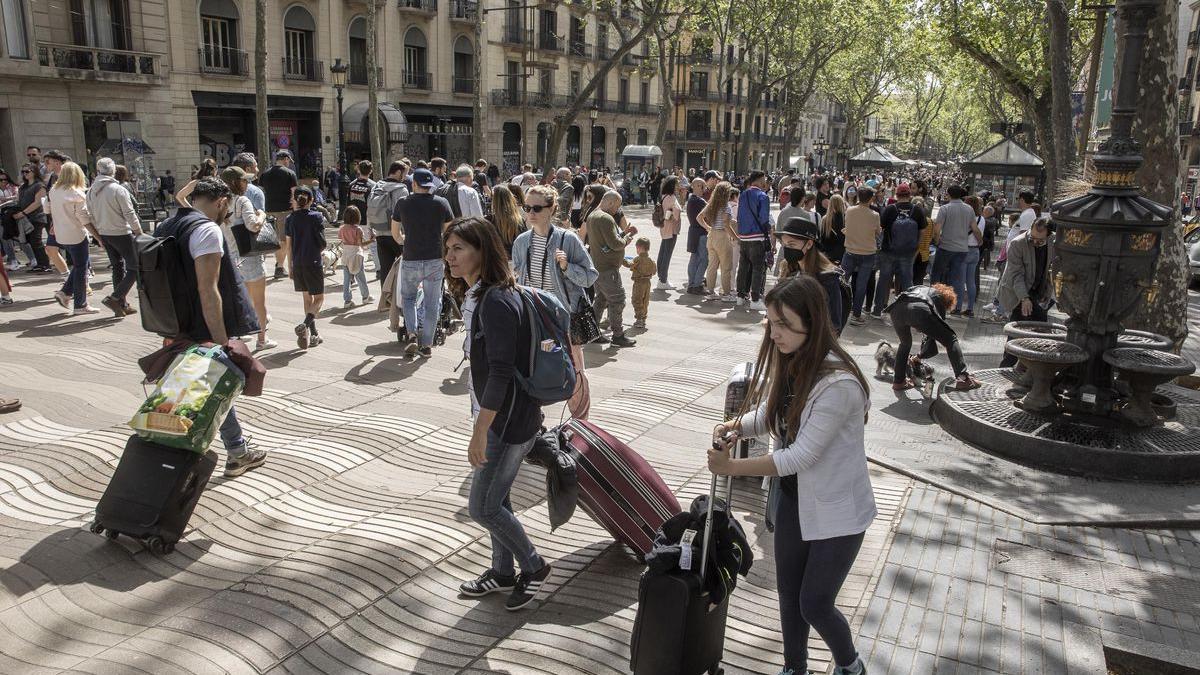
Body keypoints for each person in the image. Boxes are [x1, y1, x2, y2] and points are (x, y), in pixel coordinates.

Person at [708, 274, 874, 675]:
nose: (774, 333)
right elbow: (772, 416)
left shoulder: (839, 384)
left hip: (838, 514)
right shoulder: (793, 363)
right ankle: (793, 668)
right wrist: (735, 425)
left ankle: (851, 665)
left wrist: (732, 467)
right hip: (792, 504)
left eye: (783, 323)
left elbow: (801, 455)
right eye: (770, 322)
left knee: (813, 602)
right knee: (789, 597)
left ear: (811, 323)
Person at [446, 217, 555, 611]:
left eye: (459, 248)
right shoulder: (486, 294)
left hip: (507, 422)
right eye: (449, 248)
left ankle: (534, 565)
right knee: (499, 499)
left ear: (482, 250)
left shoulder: (495, 300)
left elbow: (501, 372)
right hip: (507, 416)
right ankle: (502, 572)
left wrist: (480, 431)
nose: (450, 256)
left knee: (482, 507)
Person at [153, 177, 267, 477]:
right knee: (211, 388)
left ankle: (236, 450)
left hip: (174, 322)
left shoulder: (167, 225)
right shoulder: (206, 230)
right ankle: (222, 453)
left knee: (196, 391)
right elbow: (209, 290)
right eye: (226, 210)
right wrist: (221, 344)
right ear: (221, 202)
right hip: (202, 326)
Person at [510, 184, 598, 419]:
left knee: (574, 369)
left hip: (564, 317)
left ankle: (581, 424)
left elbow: (590, 276)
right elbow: (518, 276)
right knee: (531, 367)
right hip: (533, 317)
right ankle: (532, 423)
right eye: (527, 207)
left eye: (537, 208)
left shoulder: (567, 239)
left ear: (552, 209)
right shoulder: (521, 242)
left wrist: (567, 267)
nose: (530, 213)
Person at [393, 168, 455, 357]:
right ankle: (427, 344)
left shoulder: (402, 203)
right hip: (435, 258)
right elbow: (449, 232)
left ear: (413, 184)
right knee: (431, 303)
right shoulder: (441, 203)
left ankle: (412, 334)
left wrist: (407, 240)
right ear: (430, 185)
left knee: (409, 299)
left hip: (411, 257)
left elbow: (396, 234)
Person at [219, 166, 276, 352]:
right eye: (245, 180)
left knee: (240, 300)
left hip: (230, 257)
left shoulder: (220, 203)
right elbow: (253, 226)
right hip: (249, 257)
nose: (247, 183)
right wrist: (262, 215)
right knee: (259, 302)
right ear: (236, 182)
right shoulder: (242, 201)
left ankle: (237, 335)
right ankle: (262, 338)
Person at [886, 283, 981, 391]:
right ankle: (963, 378)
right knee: (950, 339)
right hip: (918, 310)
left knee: (905, 343)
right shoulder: (939, 299)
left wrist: (919, 356)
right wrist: (920, 356)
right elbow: (931, 337)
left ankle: (898, 382)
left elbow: (928, 335)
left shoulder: (921, 288)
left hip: (897, 308)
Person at [87, 157, 143, 317]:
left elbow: (90, 214)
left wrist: (98, 234)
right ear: (113, 171)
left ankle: (122, 304)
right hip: (121, 233)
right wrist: (138, 231)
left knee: (118, 267)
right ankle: (116, 298)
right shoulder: (117, 189)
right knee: (134, 267)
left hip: (105, 233)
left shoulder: (91, 191)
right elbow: (129, 213)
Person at [998, 217, 1056, 367]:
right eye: (1033, 237)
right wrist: (1024, 298)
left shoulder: (1052, 241)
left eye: (1040, 240)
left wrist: (1047, 293)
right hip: (1018, 292)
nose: (1035, 242)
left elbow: (1051, 268)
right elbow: (1016, 274)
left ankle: (1028, 367)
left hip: (1038, 291)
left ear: (1048, 235)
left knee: (1039, 328)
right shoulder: (1018, 243)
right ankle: (1007, 366)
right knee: (1018, 329)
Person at [775, 217, 844, 332]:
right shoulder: (788, 267)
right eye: (785, 245)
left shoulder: (827, 278)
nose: (787, 249)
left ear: (809, 244)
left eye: (792, 244)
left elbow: (833, 324)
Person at [48, 162, 99, 315]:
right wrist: (98, 237)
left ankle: (65, 293)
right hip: (76, 234)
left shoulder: (54, 191)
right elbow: (84, 219)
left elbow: (49, 209)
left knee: (79, 266)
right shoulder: (76, 193)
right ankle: (80, 304)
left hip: (61, 234)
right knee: (81, 268)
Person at [587, 191, 636, 347]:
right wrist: (627, 238)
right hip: (608, 269)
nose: (617, 210)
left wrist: (623, 233)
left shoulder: (593, 215)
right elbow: (615, 244)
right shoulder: (606, 219)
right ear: (610, 202)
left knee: (600, 300)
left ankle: (593, 334)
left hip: (598, 267)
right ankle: (618, 335)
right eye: (617, 205)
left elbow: (606, 240)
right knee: (618, 300)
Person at [871, 183, 926, 317]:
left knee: (884, 280)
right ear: (909, 195)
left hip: (888, 251)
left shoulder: (890, 209)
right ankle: (911, 313)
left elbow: (880, 229)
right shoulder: (917, 210)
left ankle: (877, 310)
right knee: (908, 282)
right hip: (907, 253)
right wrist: (915, 248)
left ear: (897, 195)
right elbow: (922, 232)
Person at [284, 186, 328, 349]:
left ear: (295, 200)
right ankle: (305, 325)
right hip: (313, 262)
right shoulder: (316, 216)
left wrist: (290, 266)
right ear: (311, 200)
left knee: (307, 299)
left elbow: (288, 245)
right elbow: (322, 242)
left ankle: (313, 333)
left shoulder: (290, 219)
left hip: (298, 263)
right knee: (319, 298)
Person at [840, 186, 881, 326]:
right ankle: (856, 314)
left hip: (850, 251)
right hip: (867, 253)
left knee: (842, 281)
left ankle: (838, 308)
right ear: (870, 199)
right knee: (861, 285)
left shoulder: (849, 211)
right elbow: (877, 232)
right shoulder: (875, 215)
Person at [366, 160, 409, 292]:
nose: (405, 177)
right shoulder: (401, 190)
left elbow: (369, 208)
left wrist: (370, 229)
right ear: (397, 172)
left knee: (385, 268)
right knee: (405, 268)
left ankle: (386, 299)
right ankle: (402, 299)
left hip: (379, 232)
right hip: (397, 236)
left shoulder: (377, 186)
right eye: (404, 173)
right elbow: (404, 213)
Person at [930, 184, 976, 307]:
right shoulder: (969, 209)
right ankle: (947, 303)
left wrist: (937, 241)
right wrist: (980, 241)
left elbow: (937, 229)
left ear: (949, 194)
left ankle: (933, 299)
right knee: (953, 277)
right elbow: (974, 228)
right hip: (962, 249)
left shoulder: (945, 208)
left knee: (937, 273)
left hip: (946, 247)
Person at [259, 150, 299, 279]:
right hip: (285, 211)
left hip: (269, 210)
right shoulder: (290, 173)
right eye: (288, 160)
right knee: (283, 241)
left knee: (274, 239)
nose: (289, 163)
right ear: (286, 159)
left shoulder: (265, 174)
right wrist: (296, 211)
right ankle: (280, 267)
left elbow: (262, 192)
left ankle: (279, 262)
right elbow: (294, 194)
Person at [700, 181, 737, 302]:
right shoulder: (726, 206)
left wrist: (708, 227)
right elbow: (726, 224)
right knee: (726, 267)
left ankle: (710, 292)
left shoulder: (711, 204)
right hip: (722, 236)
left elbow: (699, 217)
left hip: (712, 235)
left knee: (712, 266)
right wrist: (736, 237)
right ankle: (726, 294)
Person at [11, 163, 51, 272]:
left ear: (34, 172)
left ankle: (45, 264)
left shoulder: (39, 185)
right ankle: (40, 264)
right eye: (23, 172)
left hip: (37, 217)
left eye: (27, 171)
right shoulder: (23, 187)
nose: (25, 174)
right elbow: (19, 201)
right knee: (30, 241)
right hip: (25, 219)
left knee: (36, 241)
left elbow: (38, 202)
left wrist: (23, 213)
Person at [955, 196, 986, 317]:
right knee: (971, 281)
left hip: (963, 250)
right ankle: (970, 308)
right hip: (975, 251)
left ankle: (958, 307)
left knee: (960, 281)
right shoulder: (982, 219)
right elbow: (980, 234)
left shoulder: (965, 217)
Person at [338, 206, 373, 308]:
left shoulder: (342, 228)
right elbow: (361, 244)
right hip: (356, 254)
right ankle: (365, 297)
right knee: (360, 277)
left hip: (345, 255)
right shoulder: (358, 229)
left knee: (346, 279)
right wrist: (372, 240)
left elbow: (341, 239)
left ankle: (347, 300)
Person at [656, 176, 682, 290]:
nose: (679, 185)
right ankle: (663, 280)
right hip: (671, 228)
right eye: (677, 183)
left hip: (664, 227)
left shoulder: (664, 196)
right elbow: (676, 214)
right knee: (667, 254)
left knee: (663, 252)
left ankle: (661, 277)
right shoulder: (672, 197)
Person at [684, 177, 709, 295]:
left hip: (693, 232)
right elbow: (709, 214)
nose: (705, 189)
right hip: (701, 233)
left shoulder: (690, 200)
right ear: (698, 186)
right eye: (703, 186)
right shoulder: (700, 201)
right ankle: (697, 284)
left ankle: (692, 283)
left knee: (694, 259)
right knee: (704, 259)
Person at [626, 236, 657, 328]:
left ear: (639, 248)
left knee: (636, 300)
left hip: (639, 283)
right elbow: (654, 271)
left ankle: (639, 319)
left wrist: (624, 261)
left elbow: (630, 266)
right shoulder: (651, 260)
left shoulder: (637, 259)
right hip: (647, 283)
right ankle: (643, 318)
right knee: (645, 301)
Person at [488, 184, 526, 256]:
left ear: (494, 201)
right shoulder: (519, 220)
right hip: (516, 259)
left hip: (498, 260)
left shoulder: (489, 221)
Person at [819, 193, 847, 267]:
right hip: (843, 252)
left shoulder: (825, 219)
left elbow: (822, 238)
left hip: (829, 253)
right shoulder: (846, 218)